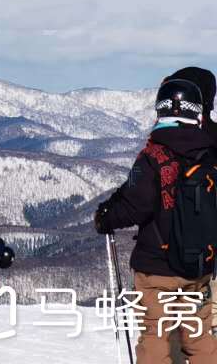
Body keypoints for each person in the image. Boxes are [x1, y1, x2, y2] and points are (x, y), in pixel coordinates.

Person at [95, 66, 217, 364]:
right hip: (199, 265)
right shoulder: (211, 153)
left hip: (157, 266)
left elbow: (135, 205)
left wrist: (105, 217)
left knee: (156, 334)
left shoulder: (154, 155)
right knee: (199, 334)